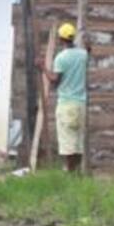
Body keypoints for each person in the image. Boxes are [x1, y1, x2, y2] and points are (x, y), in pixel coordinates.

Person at [43, 23, 88, 173]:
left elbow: (55, 80)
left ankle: (69, 172)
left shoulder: (61, 58)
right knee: (78, 141)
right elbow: (88, 50)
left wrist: (43, 68)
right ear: (73, 37)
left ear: (61, 39)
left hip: (67, 104)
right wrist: (87, 43)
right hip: (80, 103)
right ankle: (76, 171)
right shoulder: (83, 55)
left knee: (67, 141)